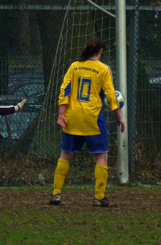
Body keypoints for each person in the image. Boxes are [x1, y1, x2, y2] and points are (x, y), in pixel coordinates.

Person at [48, 39, 125, 207]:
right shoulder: (103, 69)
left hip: (72, 116)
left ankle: (56, 194)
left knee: (66, 154)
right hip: (92, 118)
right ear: (101, 51)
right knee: (102, 155)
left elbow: (64, 89)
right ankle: (99, 196)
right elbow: (111, 95)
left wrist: (62, 113)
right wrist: (118, 116)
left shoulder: (74, 66)